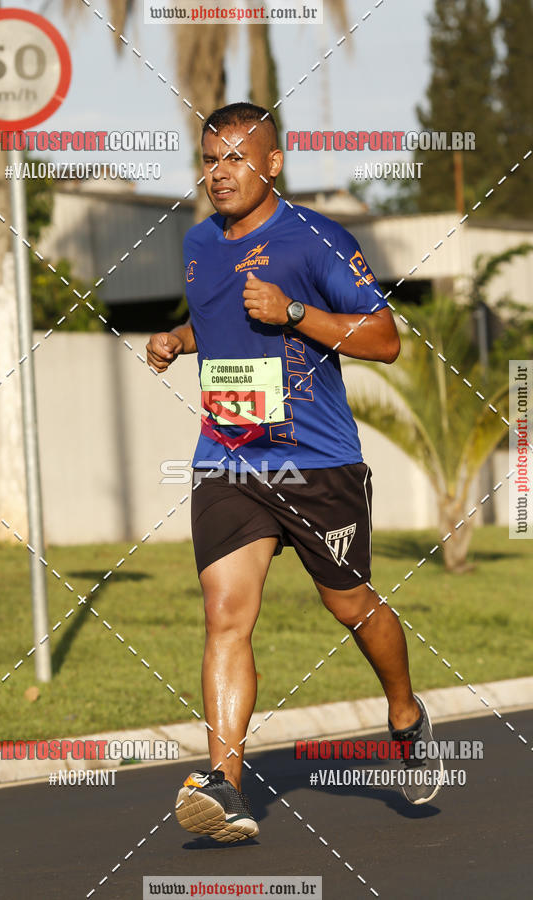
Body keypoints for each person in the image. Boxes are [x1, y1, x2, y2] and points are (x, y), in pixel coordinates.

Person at [146, 102, 442, 843]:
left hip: (317, 461)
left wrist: (294, 313)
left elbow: (384, 339)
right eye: (209, 160)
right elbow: (219, 321)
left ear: (272, 164)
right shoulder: (197, 243)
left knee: (350, 606)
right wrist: (178, 338)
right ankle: (225, 787)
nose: (220, 173)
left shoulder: (318, 238)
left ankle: (405, 712)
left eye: (236, 158)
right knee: (224, 613)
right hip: (228, 455)